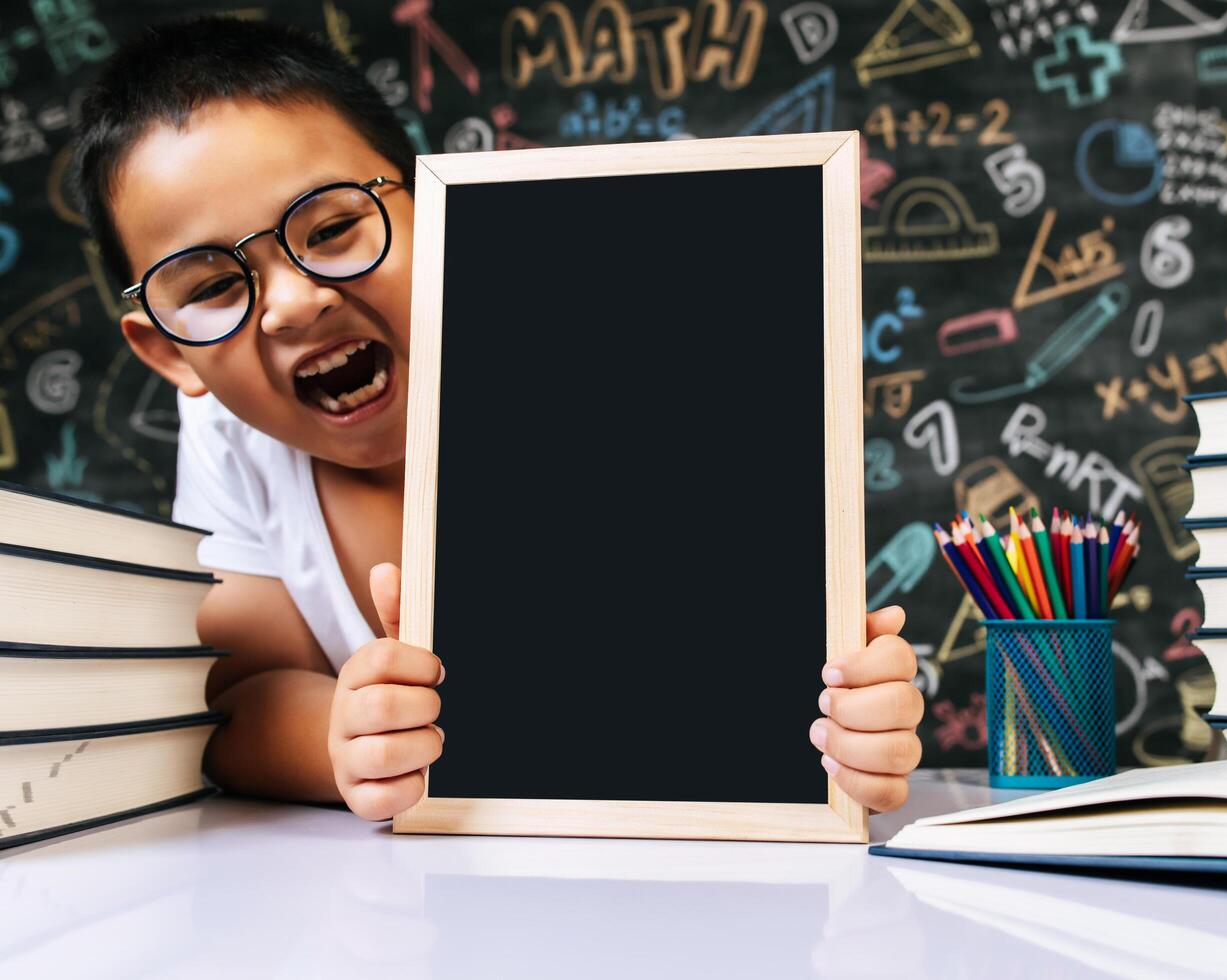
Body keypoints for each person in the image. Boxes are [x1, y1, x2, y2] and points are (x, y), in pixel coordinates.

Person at [75, 16, 925, 821]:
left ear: (442, 208)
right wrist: (340, 743)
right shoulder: (235, 435)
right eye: (215, 288)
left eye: (332, 227)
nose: (293, 305)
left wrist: (852, 732)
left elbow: (746, 650)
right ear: (171, 353)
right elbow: (238, 692)